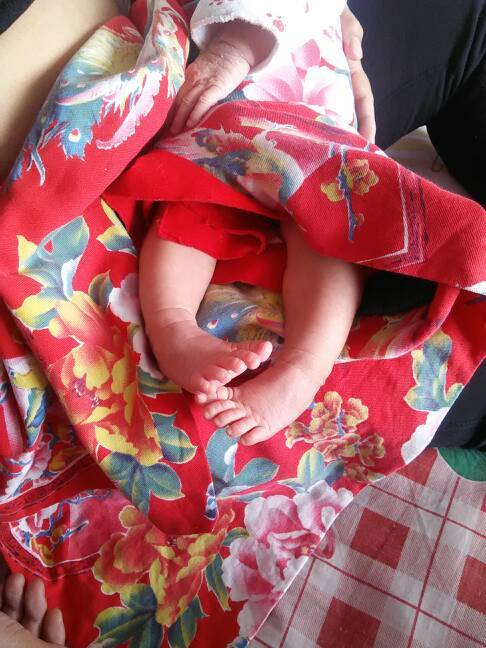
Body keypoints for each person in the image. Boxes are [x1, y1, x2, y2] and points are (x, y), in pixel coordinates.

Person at [0, 1, 484, 646]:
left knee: (323, 219)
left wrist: (246, 38)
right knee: (195, 218)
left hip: (274, 123)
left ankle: (298, 365)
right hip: (209, 161)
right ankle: (181, 330)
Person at [139, 0, 365, 447]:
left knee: (333, 232)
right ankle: (172, 329)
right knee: (190, 207)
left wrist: (237, 47)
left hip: (313, 123)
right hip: (221, 128)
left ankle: (303, 369)